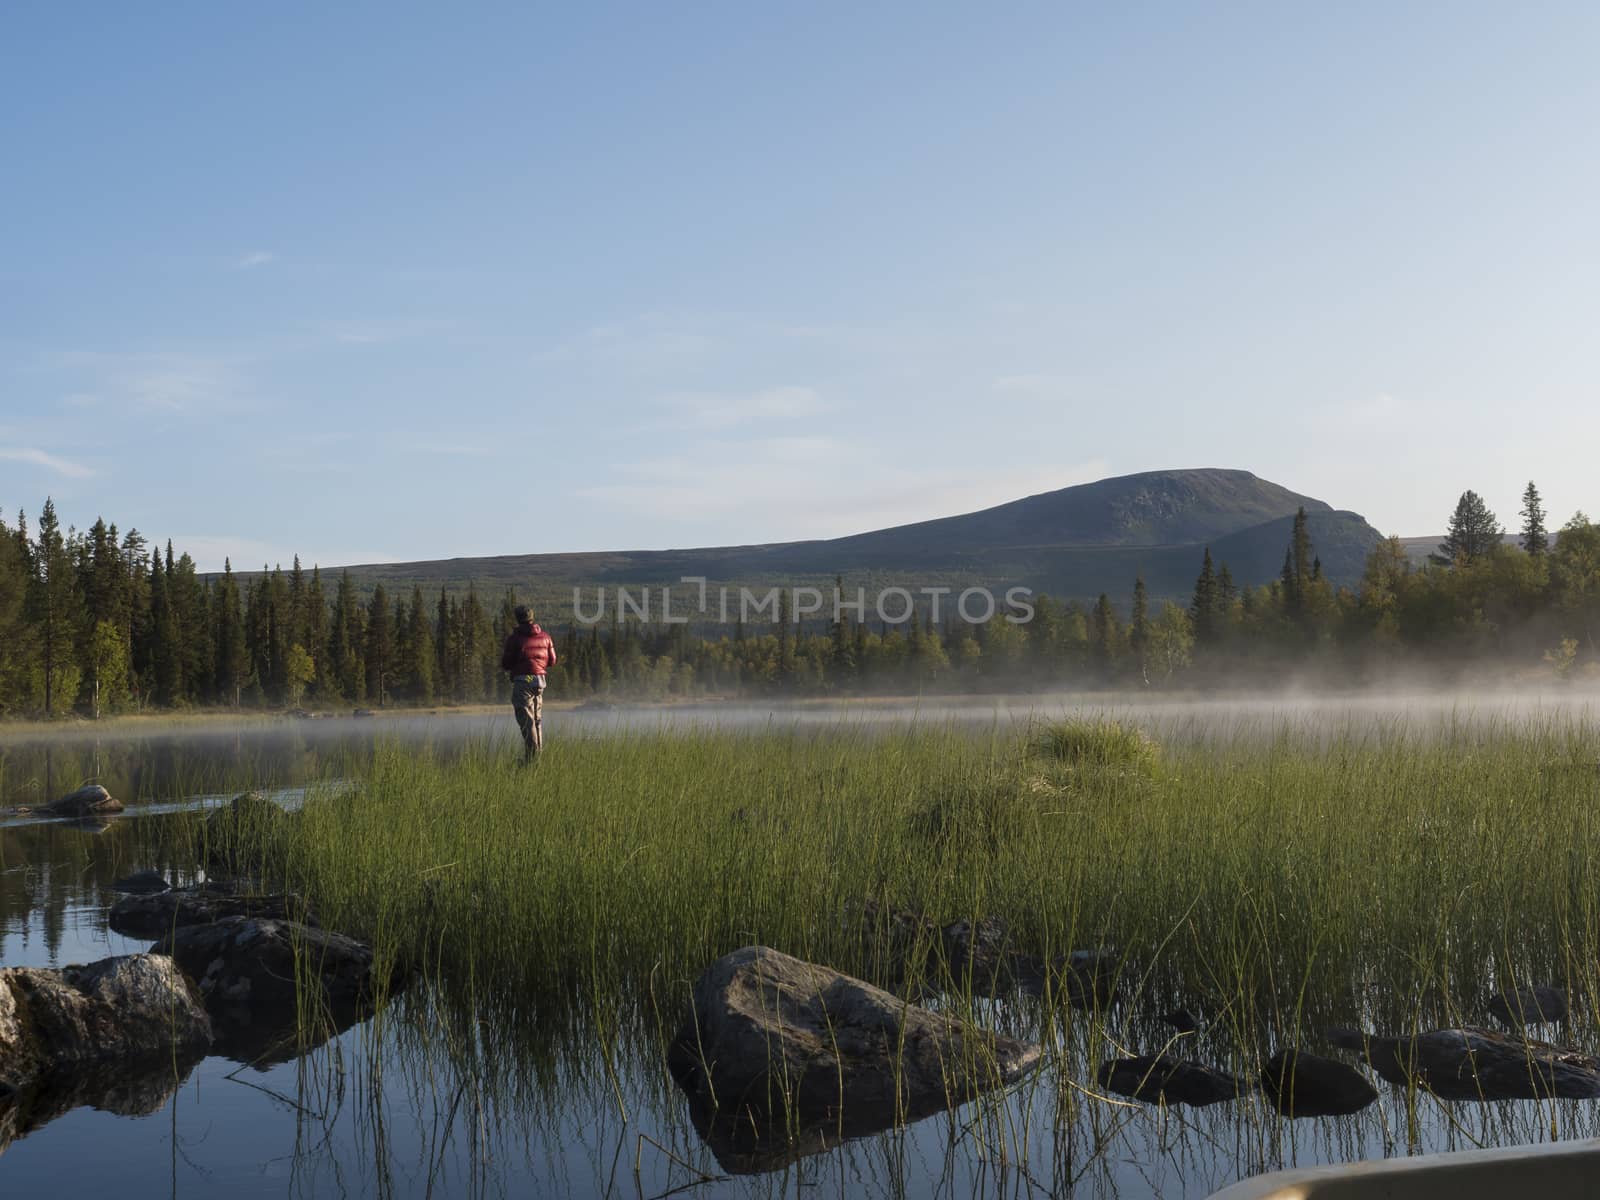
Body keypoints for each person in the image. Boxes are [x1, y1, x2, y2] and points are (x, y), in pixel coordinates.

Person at [500, 604, 557, 759]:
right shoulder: (546, 637)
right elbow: (552, 661)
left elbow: (506, 663)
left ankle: (532, 757)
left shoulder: (515, 639)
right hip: (539, 680)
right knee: (537, 720)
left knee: (526, 720)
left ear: (518, 619)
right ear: (532, 618)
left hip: (525, 679)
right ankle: (536, 755)